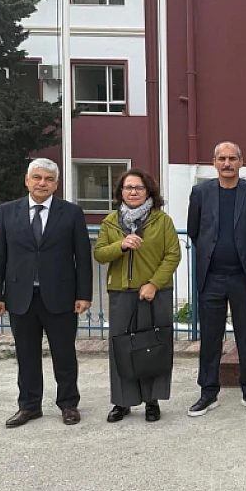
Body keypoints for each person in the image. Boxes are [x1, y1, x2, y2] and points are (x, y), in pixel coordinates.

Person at [0, 158, 92, 428]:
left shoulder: (71, 213)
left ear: (56, 184)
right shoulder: (8, 212)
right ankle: (29, 406)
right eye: (37, 177)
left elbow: (82, 256)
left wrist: (84, 294)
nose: (42, 183)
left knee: (64, 354)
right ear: (27, 180)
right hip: (20, 297)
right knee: (26, 355)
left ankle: (68, 404)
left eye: (48, 179)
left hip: (61, 296)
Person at [94, 168, 182, 423]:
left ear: (148, 191)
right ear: (120, 192)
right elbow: (99, 254)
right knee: (121, 348)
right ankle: (122, 401)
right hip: (122, 292)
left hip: (155, 293)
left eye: (139, 188)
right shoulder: (111, 222)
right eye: (128, 187)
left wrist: (154, 283)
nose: (133, 192)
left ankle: (152, 401)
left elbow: (173, 255)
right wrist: (120, 246)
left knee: (153, 345)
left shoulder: (161, 220)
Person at [186, 141, 246, 417]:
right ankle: (208, 393)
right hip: (212, 278)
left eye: (232, 158)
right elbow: (195, 232)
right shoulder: (200, 192)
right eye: (222, 158)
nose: (227, 163)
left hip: (243, 279)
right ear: (214, 162)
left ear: (241, 162)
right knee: (210, 338)